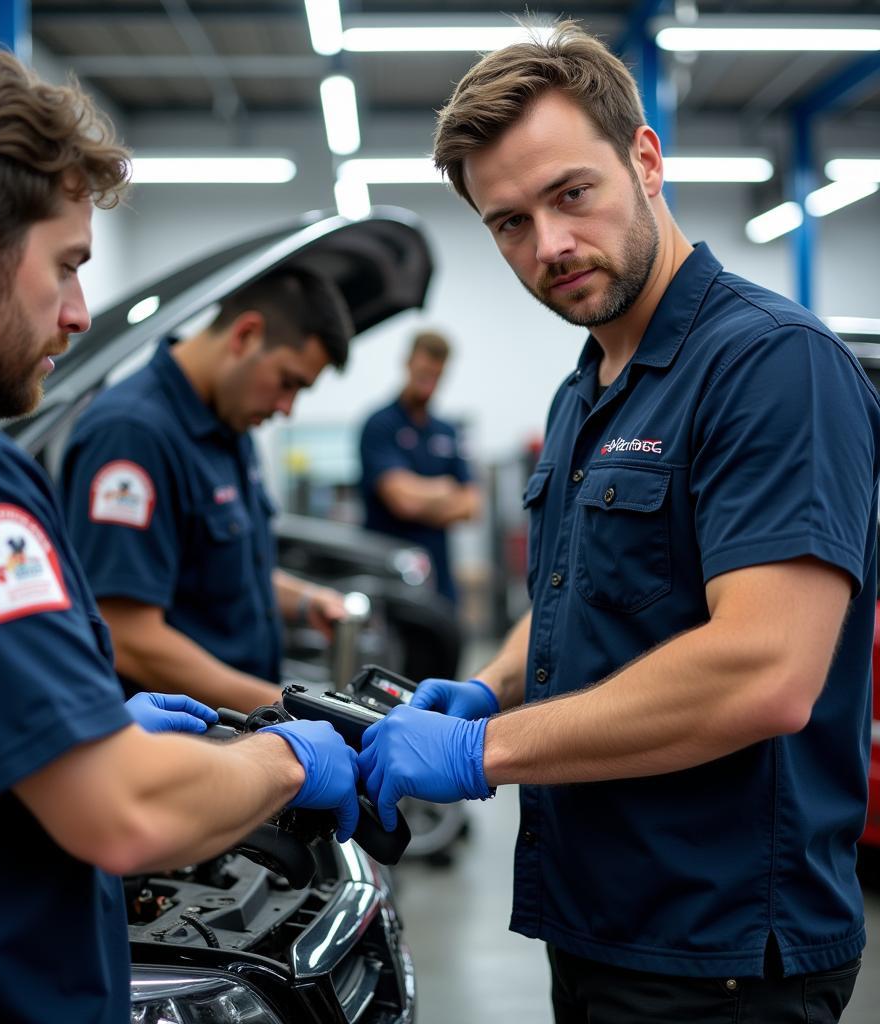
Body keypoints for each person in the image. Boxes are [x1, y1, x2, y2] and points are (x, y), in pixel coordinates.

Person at [357, 20, 880, 1023]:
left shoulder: (771, 368)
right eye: (507, 222)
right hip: (598, 917)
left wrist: (481, 751)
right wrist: (487, 682)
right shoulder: (585, 389)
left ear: (644, 159)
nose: (547, 245)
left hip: (719, 952)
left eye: (569, 194)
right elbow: (580, 596)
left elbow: (765, 671)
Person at [0, 39, 359, 1023]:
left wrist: (91, 729)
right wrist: (291, 755)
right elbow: (125, 814)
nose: (81, 313)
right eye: (67, 265)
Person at [59, 270, 353, 713]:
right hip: (174, 745)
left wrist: (305, 600)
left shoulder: (228, 424)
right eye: (288, 382)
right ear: (246, 335)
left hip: (237, 731)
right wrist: (290, 707)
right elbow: (127, 634)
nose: (286, 409)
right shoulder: (132, 434)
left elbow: (217, 567)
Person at [358, 330, 480, 605]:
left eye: (436, 376)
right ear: (408, 363)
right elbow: (402, 501)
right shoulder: (380, 425)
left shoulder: (447, 431)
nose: (429, 383)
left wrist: (421, 496)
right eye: (424, 372)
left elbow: (472, 505)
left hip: (439, 582)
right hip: (390, 581)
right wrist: (446, 488)